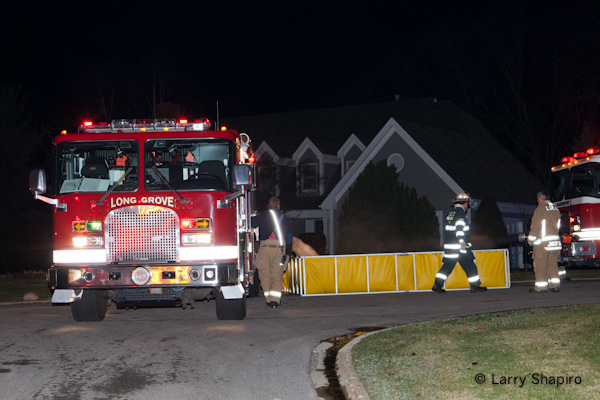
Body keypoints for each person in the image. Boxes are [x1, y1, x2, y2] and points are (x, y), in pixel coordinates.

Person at [432, 192, 488, 293]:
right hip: (460, 247)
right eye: (467, 203)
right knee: (470, 266)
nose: (468, 206)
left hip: (450, 247)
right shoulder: (460, 214)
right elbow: (459, 229)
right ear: (465, 203)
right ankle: (475, 286)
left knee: (447, 266)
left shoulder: (452, 213)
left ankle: (437, 285)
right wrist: (462, 242)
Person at [251, 197, 293, 308]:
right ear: (279, 206)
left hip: (265, 247)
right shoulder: (285, 219)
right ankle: (276, 300)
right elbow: (289, 237)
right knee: (277, 274)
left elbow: (250, 223)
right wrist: (288, 252)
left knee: (264, 274)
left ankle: (269, 299)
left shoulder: (263, 215)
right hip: (280, 248)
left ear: (269, 205)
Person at [527, 191, 562, 293]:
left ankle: (541, 287)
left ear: (540, 198)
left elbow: (535, 226)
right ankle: (555, 285)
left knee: (540, 265)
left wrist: (530, 240)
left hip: (543, 244)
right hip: (555, 243)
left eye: (537, 199)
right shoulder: (556, 209)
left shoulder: (540, 209)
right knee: (553, 264)